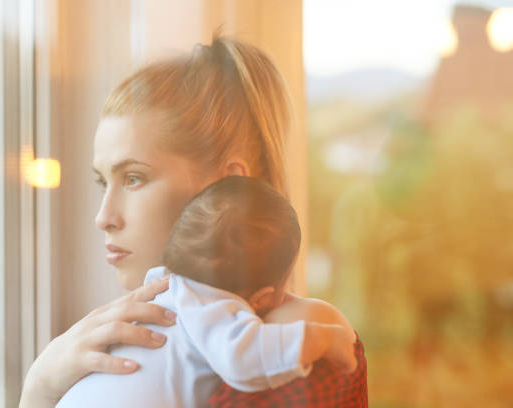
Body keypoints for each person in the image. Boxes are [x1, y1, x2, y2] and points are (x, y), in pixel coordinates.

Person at [20, 34, 367, 407]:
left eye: (134, 178)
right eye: (103, 182)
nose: (103, 217)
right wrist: (39, 387)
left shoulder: (297, 337)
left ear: (229, 185)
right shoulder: (128, 335)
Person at [55, 175, 356, 407]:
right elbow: (246, 359)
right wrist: (324, 338)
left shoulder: (163, 287)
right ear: (263, 297)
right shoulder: (213, 307)